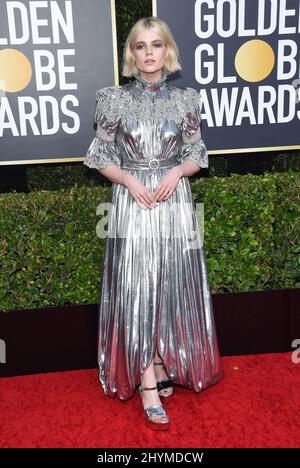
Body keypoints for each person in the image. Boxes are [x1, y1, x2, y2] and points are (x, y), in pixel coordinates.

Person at [83, 16, 223, 431]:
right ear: (131, 54)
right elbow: (98, 155)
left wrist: (178, 172)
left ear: (168, 51)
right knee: (137, 283)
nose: (148, 53)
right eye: (140, 46)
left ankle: (161, 360)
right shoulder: (112, 99)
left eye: (156, 45)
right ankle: (146, 380)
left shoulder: (187, 100)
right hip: (132, 202)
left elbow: (198, 154)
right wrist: (128, 179)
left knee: (170, 280)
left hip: (173, 198)